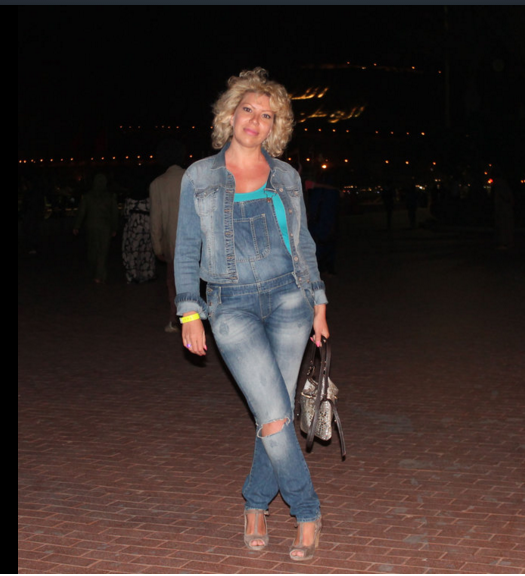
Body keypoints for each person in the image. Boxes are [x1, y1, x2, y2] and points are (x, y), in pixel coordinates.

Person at [174, 68, 329, 561]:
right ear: (231, 113)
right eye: (249, 110)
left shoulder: (286, 176)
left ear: (275, 127)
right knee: (275, 414)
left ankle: (256, 505)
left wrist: (319, 302)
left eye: (268, 115)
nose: (255, 121)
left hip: (290, 301)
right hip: (231, 303)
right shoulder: (199, 176)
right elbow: (186, 250)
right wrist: (189, 312)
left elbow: (303, 242)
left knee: (272, 411)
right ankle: (307, 510)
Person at [149, 139, 186, 332]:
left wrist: (157, 246)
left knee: (172, 283)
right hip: (195, 241)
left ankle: (175, 319)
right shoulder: (192, 177)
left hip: (172, 242)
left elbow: (155, 219)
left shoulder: (157, 184)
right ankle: (197, 320)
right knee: (193, 283)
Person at [73, 172, 119, 284]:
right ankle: (100, 274)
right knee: (103, 251)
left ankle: (98, 273)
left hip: (91, 226)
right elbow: (114, 214)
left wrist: (77, 226)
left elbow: (81, 212)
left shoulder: (87, 196)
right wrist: (114, 228)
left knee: (93, 250)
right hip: (105, 227)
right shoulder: (110, 197)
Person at [121, 173, 156, 284]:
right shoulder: (149, 199)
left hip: (134, 227)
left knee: (133, 251)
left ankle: (133, 274)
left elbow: (125, 213)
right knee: (147, 251)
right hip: (147, 226)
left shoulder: (129, 200)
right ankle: (147, 273)